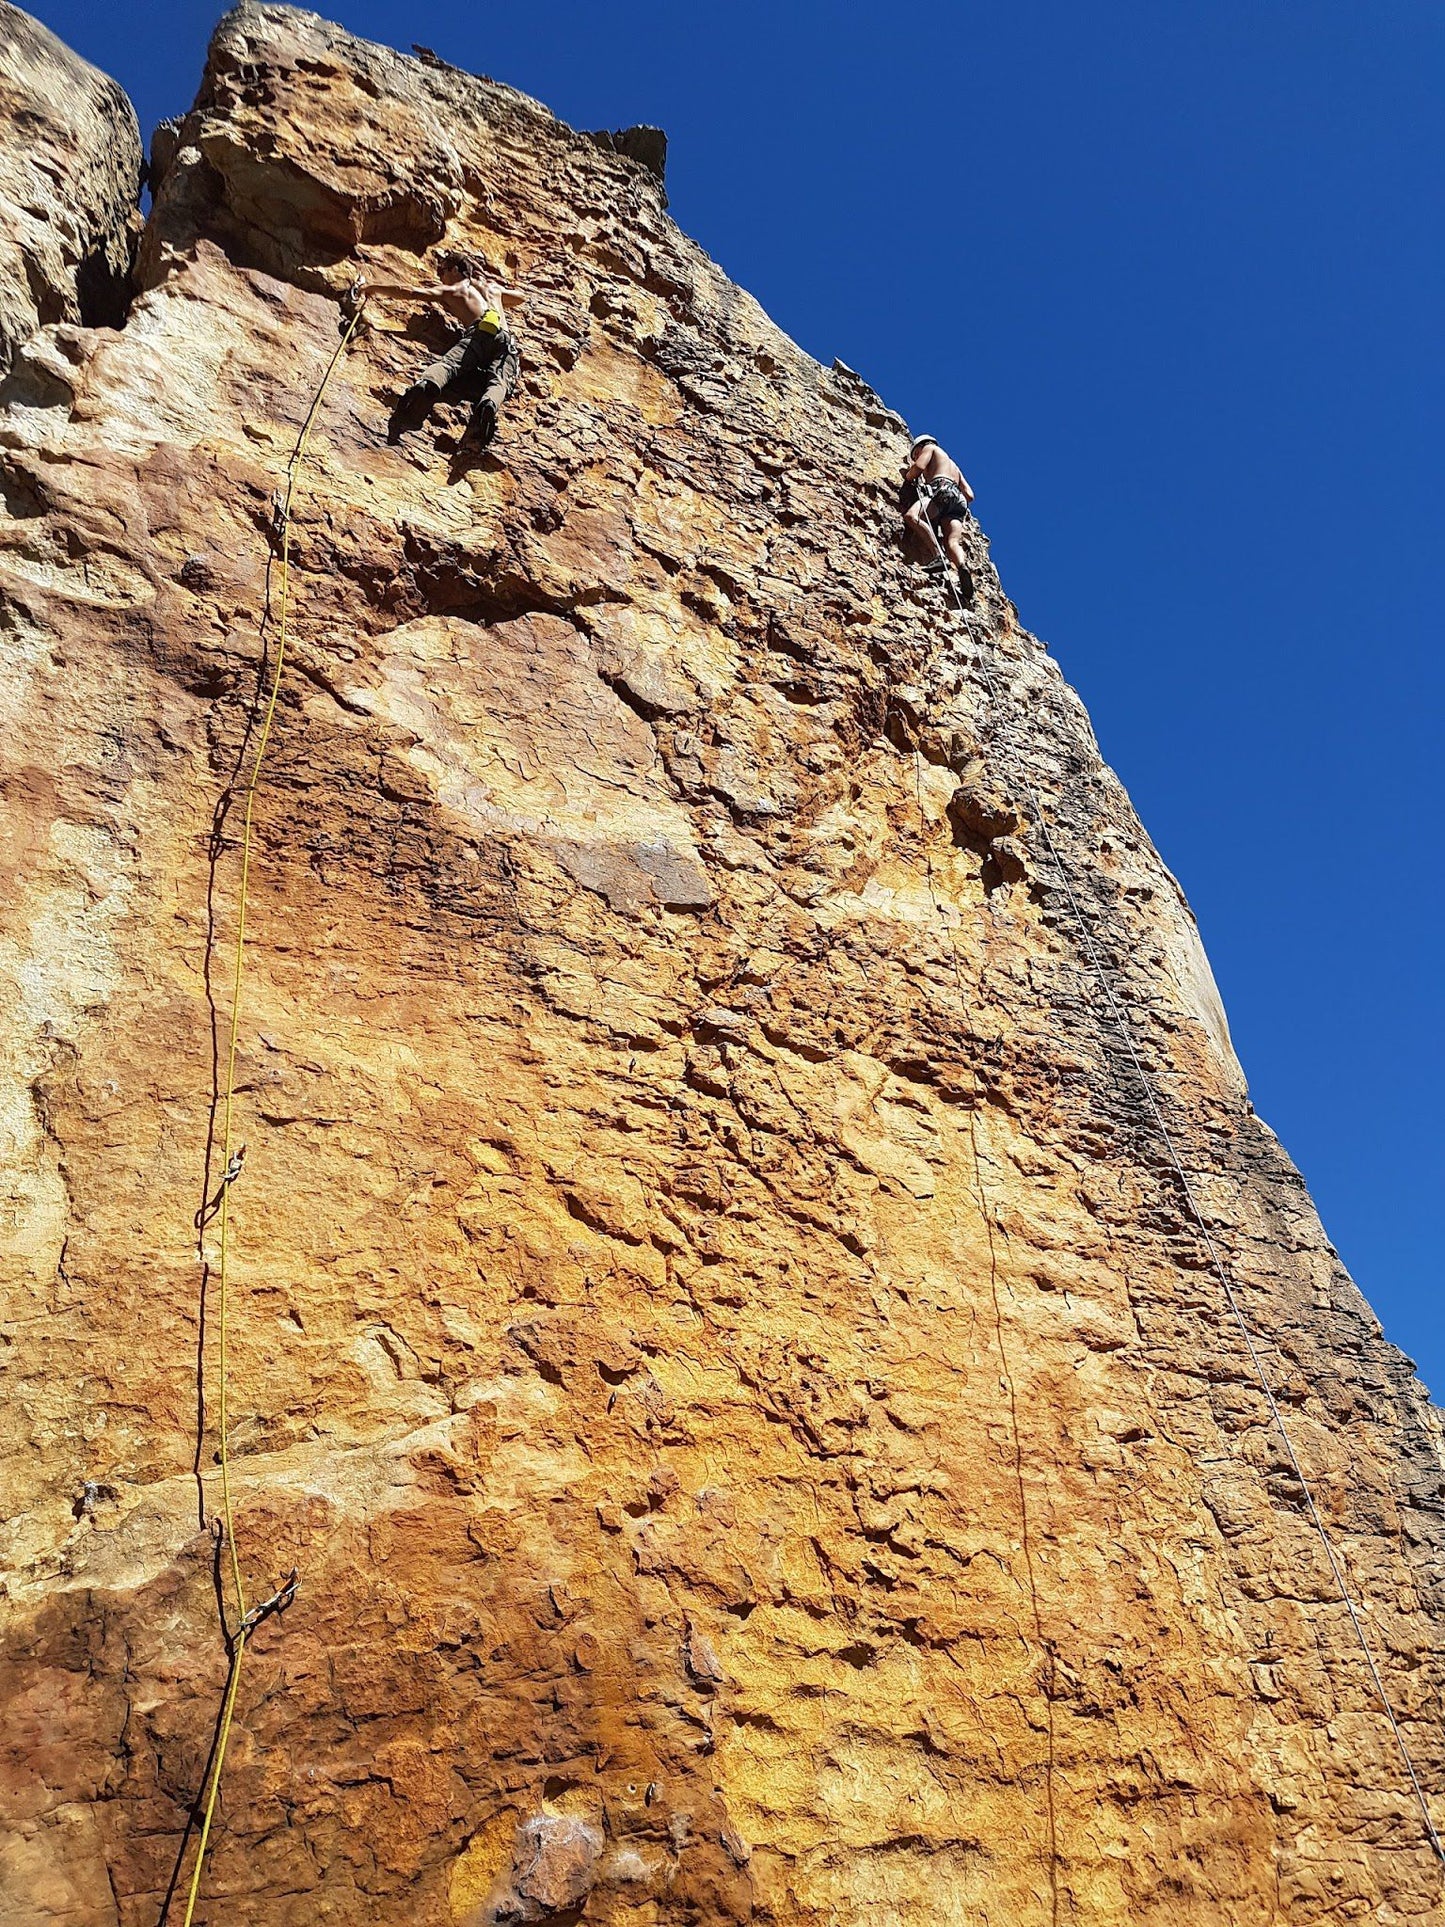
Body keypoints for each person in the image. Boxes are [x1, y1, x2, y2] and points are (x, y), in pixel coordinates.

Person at [353, 251, 523, 452]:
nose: (439, 276)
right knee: (500, 381)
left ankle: (429, 384)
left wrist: (370, 288)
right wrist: (495, 293)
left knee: (449, 365)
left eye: (442, 271)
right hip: (505, 341)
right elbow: (521, 298)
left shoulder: (453, 291)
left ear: (454, 269)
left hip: (477, 335)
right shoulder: (493, 289)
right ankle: (488, 405)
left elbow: (409, 291)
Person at [900, 434, 974, 587]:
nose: (916, 457)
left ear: (920, 447)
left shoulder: (930, 448)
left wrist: (908, 475)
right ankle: (961, 566)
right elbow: (970, 495)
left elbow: (918, 468)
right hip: (959, 501)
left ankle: (938, 556)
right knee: (952, 541)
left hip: (941, 488)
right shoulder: (954, 465)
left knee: (912, 516)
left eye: (915, 454)